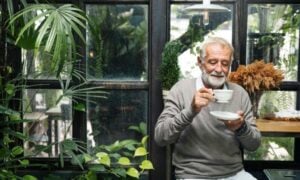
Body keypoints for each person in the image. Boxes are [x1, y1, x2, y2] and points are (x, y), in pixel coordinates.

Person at [154, 37, 261, 180]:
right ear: (200, 62)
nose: (219, 69)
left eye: (225, 64)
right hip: (193, 175)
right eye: (212, 62)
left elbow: (254, 145)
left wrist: (241, 127)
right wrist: (191, 111)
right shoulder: (181, 90)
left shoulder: (239, 93)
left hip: (234, 174)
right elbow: (160, 137)